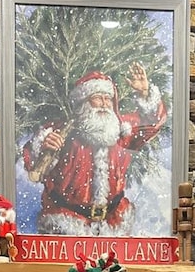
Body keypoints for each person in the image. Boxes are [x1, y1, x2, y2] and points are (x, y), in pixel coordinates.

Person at [22, 64, 167, 237]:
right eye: (98, 98)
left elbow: (152, 123)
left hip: (114, 223)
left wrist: (144, 92)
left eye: (108, 99)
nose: (105, 104)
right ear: (83, 102)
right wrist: (46, 148)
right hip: (67, 224)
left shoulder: (120, 131)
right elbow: (34, 167)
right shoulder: (62, 132)